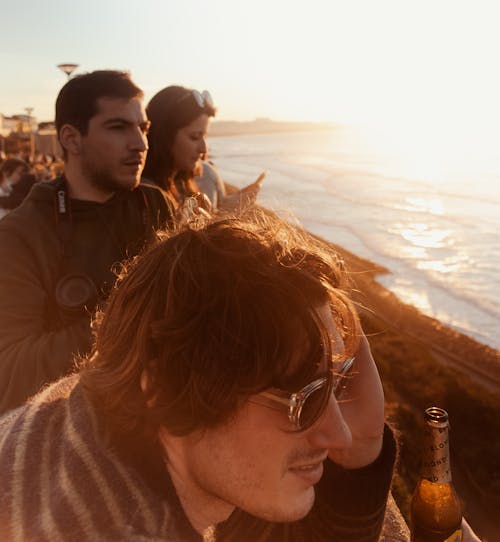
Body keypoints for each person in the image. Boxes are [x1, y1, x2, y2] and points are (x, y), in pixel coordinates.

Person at [0, 208, 404, 541]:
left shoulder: (89, 418)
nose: (339, 434)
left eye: (336, 382)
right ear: (164, 385)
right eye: (304, 399)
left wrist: (362, 456)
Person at [0, 70, 173, 414]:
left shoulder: (153, 205)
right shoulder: (21, 234)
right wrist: (132, 317)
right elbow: (12, 372)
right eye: (118, 127)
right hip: (73, 430)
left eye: (143, 128)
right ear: (71, 139)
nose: (140, 144)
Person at [143, 85, 262, 215]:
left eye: (204, 136)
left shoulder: (182, 183)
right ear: (164, 137)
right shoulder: (147, 199)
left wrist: (228, 206)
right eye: (194, 137)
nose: (203, 148)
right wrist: (225, 214)